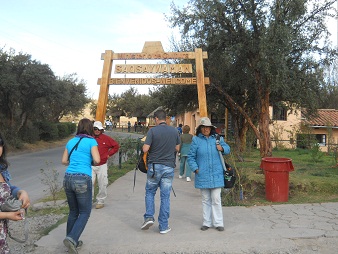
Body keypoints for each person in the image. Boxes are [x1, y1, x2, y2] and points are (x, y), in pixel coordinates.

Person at [61, 118, 100, 253]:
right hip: (82, 178)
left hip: (68, 178)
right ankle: (72, 238)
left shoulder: (71, 141)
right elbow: (97, 159)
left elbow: (64, 161)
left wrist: (75, 161)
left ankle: (72, 242)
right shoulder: (91, 141)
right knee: (84, 212)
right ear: (90, 128)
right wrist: (87, 161)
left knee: (73, 211)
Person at [187, 117, 230, 232]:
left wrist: (222, 148)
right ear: (200, 129)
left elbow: (227, 148)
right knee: (206, 199)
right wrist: (195, 169)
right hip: (202, 174)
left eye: (207, 127)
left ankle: (218, 223)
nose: (205, 129)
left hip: (216, 173)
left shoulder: (217, 138)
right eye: (203, 127)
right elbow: (191, 157)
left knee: (216, 198)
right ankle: (206, 222)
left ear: (211, 128)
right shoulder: (196, 140)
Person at [141, 109, 180, 234]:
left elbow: (145, 149)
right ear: (166, 118)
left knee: (150, 192)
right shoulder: (174, 131)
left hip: (154, 167)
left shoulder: (152, 131)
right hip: (168, 167)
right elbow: (177, 148)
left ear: (156, 119)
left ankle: (148, 217)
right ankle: (163, 226)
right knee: (165, 196)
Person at [0, 132, 30, 253]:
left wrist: (21, 192)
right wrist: (7, 215)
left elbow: (8, 188)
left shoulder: (2, 169)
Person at [92, 121, 120, 209]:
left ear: (101, 130)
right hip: (90, 165)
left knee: (103, 183)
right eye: (95, 129)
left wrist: (108, 154)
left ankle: (100, 201)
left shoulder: (106, 138)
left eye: (98, 129)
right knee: (89, 183)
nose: (96, 131)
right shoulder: (89, 138)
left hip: (102, 164)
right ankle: (88, 201)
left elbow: (116, 146)